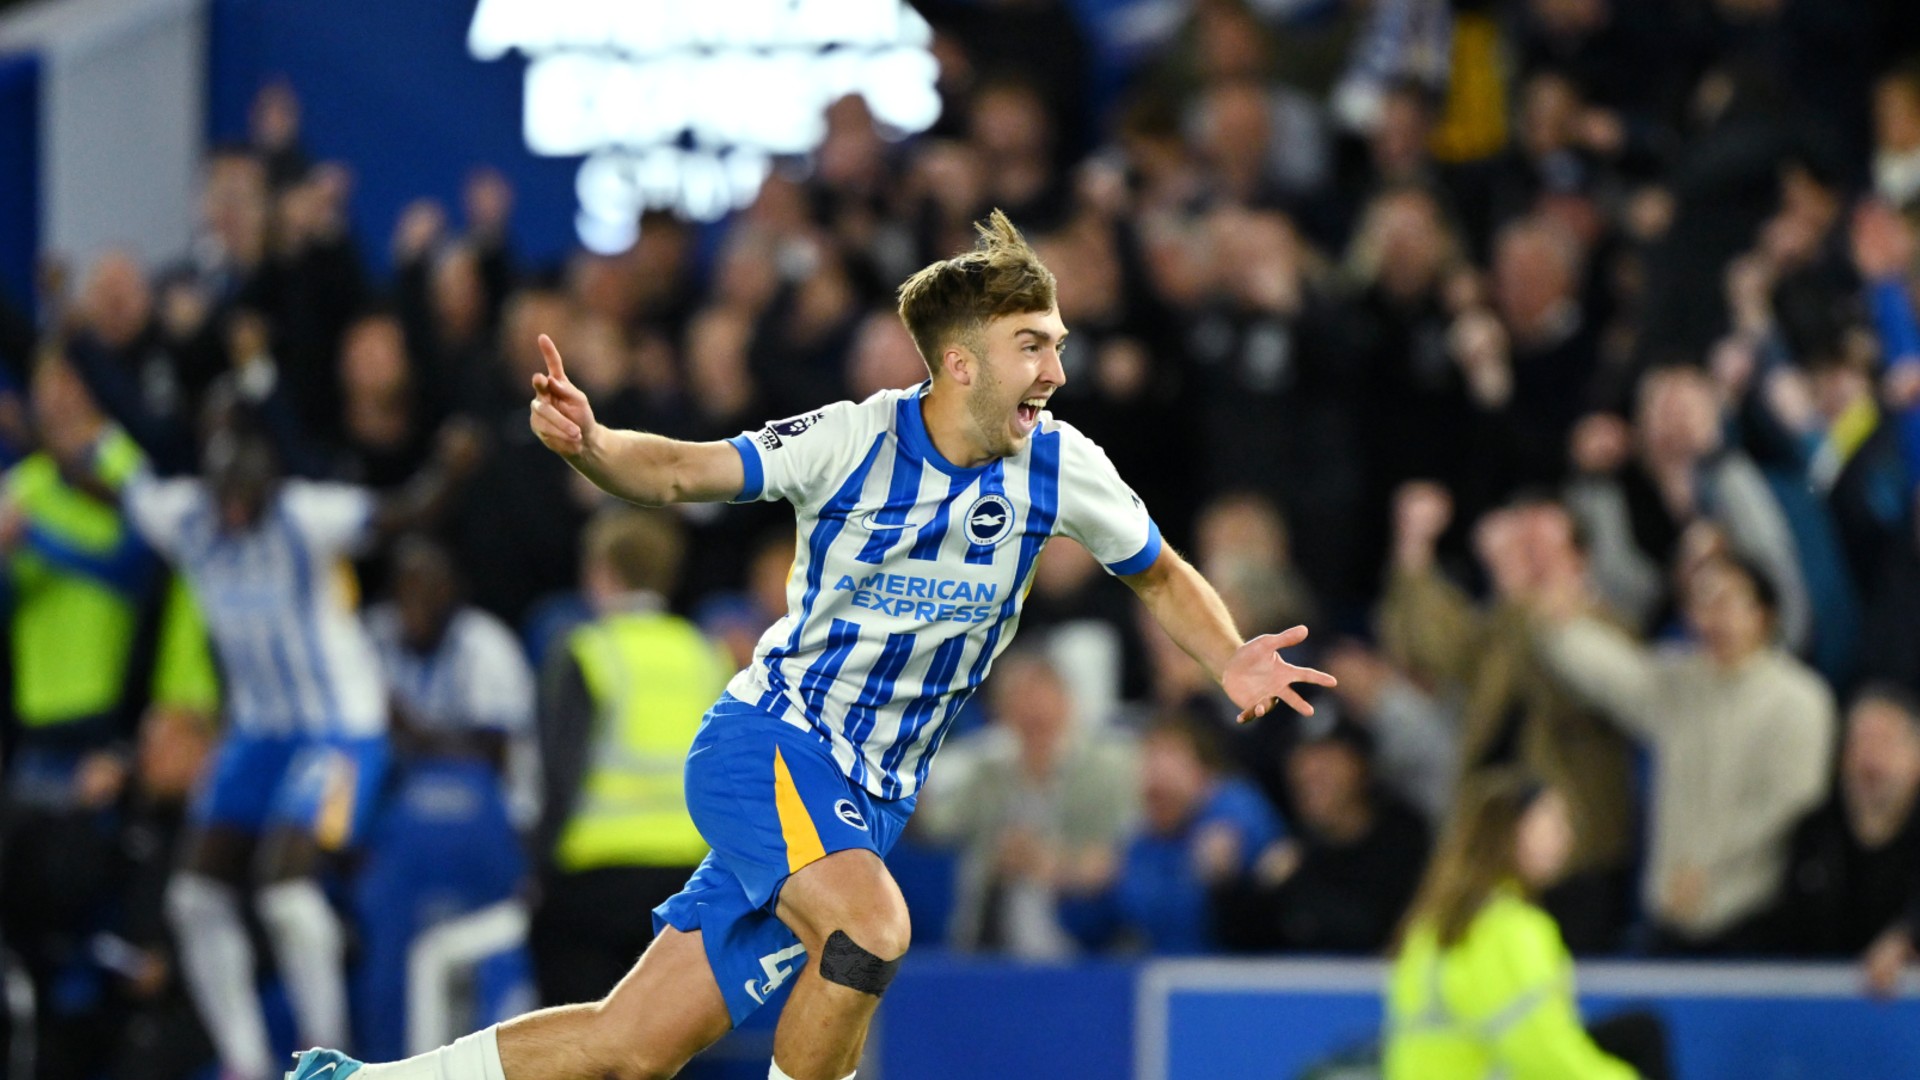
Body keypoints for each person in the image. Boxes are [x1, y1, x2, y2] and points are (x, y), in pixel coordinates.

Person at [292, 210, 1337, 1080]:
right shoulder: (852, 440)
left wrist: (1227, 656)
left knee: (631, 1045)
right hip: (771, 746)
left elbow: (1157, 571)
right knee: (872, 928)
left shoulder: (1063, 467)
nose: (1058, 369)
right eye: (1035, 344)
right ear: (962, 363)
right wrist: (597, 446)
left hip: (864, 799)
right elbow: (684, 471)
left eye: (1058, 342)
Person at [106, 410, 480, 1080]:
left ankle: (326, 1061)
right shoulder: (186, 519)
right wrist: (86, 442)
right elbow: (120, 490)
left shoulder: (305, 518)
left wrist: (447, 472)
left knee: (287, 895)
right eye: (225, 498)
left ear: (268, 489)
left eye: (246, 499)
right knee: (193, 897)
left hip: (342, 733)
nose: (234, 514)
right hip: (257, 734)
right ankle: (244, 1061)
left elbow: (401, 513)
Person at [1530, 551, 1836, 954]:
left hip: (1755, 917)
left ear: (1763, 614)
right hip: (1670, 914)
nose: (1713, 617)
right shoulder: (1681, 683)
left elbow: (1790, 803)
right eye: (1702, 603)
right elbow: (1616, 676)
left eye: (1726, 601)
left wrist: (1706, 868)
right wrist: (1560, 628)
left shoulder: (1800, 700)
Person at [527, 506, 731, 1010]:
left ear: (602, 571)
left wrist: (537, 869)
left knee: (581, 1031)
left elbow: (558, 774)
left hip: (594, 877)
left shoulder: (587, 651)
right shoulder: (707, 654)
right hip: (687, 877)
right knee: (663, 1038)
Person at [356, 535, 537, 1061]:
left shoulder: (485, 644)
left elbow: (490, 752)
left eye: (430, 592)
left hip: (500, 828)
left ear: (453, 594)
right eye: (406, 591)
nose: (416, 605)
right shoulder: (371, 639)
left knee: (478, 970)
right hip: (397, 830)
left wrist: (409, 729)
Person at [1385, 770, 1670, 1080]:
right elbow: (1543, 1056)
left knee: (1637, 1031)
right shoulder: (1510, 929)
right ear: (1513, 831)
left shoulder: (1430, 923)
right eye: (1553, 822)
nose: (1566, 837)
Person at [915, 648, 1139, 956]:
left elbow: (1121, 857)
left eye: (1042, 702)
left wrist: (1052, 864)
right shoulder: (988, 772)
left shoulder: (1108, 769)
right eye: (1019, 702)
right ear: (1001, 712)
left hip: (1084, 947)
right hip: (991, 947)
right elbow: (934, 828)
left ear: (1068, 704)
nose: (1033, 713)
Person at [1215, 713, 1431, 955]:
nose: (1309, 772)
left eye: (1326, 759)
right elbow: (1251, 942)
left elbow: (1372, 932)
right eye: (1301, 759)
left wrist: (1294, 884)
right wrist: (1226, 887)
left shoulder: (1403, 839)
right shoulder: (1296, 843)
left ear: (1360, 765)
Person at [1780, 685, 1920, 994]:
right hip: (1823, 1008)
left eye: (1886, 742)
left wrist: (1909, 938)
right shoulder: (1813, 833)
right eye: (1859, 741)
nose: (1871, 758)